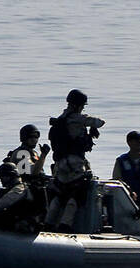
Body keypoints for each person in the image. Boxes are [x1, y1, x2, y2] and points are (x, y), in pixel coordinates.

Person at [45, 89, 105, 232]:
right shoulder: (77, 118)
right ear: (79, 105)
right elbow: (100, 122)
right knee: (75, 195)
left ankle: (47, 224)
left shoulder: (60, 119)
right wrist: (90, 125)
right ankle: (65, 226)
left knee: (60, 195)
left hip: (60, 164)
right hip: (75, 164)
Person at [0, 163, 44, 233]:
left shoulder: (20, 188)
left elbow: (4, 202)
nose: (0, 179)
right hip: (16, 219)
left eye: (2, 176)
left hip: (25, 223)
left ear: (11, 175)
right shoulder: (11, 189)